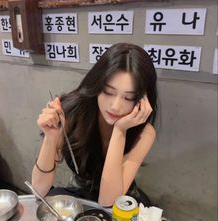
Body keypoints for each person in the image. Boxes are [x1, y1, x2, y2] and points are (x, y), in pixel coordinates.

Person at [31, 43, 158, 207]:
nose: (115, 106)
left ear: (143, 100)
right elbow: (38, 190)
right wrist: (51, 137)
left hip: (120, 200)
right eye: (108, 92)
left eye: (129, 98)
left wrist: (120, 131)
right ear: (96, 85)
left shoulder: (144, 133)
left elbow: (108, 201)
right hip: (80, 194)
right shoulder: (72, 113)